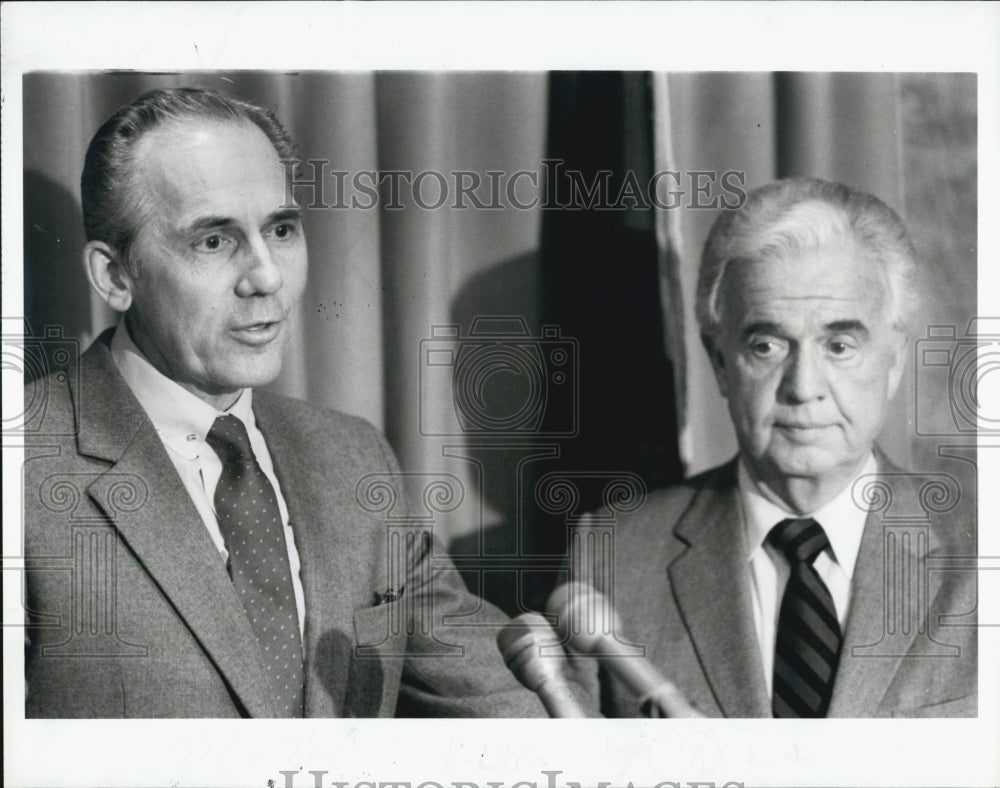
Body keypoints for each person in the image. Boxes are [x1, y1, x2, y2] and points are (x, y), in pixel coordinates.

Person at [22, 87, 545, 718]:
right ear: (114, 276)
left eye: (281, 229)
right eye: (213, 241)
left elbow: (501, 695)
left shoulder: (352, 457)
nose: (267, 276)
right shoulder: (21, 469)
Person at [571, 177, 977, 718]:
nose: (803, 386)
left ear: (895, 359)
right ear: (719, 362)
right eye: (766, 346)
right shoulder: (614, 556)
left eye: (839, 345)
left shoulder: (981, 553)